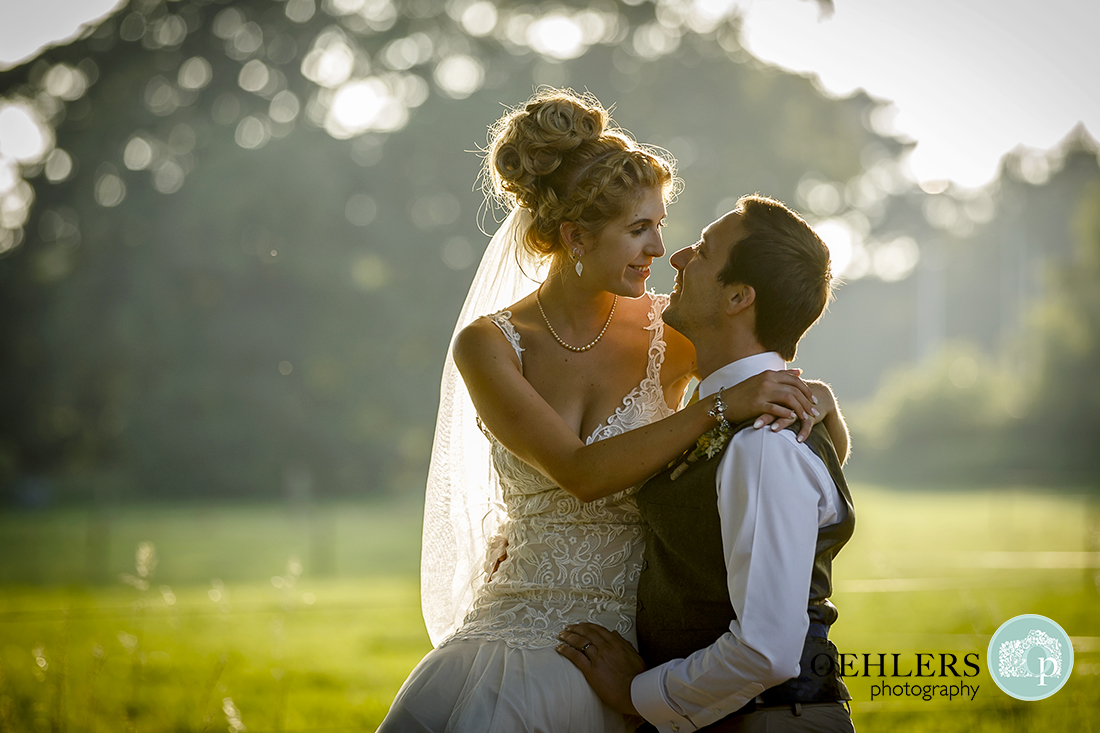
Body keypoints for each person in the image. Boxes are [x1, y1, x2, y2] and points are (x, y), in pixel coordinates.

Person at [378, 91, 847, 733]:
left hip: (630, 642)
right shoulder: (488, 344)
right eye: (638, 229)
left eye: (660, 223)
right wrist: (715, 407)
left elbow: (761, 359)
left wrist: (820, 403)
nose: (662, 248)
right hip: (513, 615)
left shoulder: (673, 326)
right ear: (575, 236)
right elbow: (580, 472)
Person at [557, 195, 856, 732]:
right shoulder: (746, 423)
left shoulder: (764, 442)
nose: (678, 258)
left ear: (739, 296)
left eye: (704, 252)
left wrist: (634, 693)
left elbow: (766, 652)